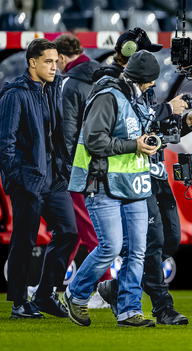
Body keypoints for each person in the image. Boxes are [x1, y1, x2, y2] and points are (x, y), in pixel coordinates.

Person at [95, 28, 192, 325]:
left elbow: (155, 131)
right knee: (152, 241)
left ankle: (116, 287)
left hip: (154, 172)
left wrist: (185, 121)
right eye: (146, 52)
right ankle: (162, 307)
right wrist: (168, 108)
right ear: (132, 53)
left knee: (170, 238)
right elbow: (130, 125)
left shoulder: (144, 86)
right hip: (130, 174)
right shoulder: (108, 82)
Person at [64, 50, 159, 327]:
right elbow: (95, 141)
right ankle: (75, 293)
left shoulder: (138, 98)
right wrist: (135, 145)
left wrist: (152, 143)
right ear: (141, 79)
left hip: (134, 184)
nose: (153, 86)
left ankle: (130, 310)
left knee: (137, 250)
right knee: (111, 247)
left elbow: (136, 134)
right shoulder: (108, 96)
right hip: (103, 183)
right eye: (150, 81)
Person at [0, 38, 78, 319]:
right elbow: (3, 141)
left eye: (56, 62)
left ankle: (43, 295)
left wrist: (63, 169)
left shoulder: (51, 89)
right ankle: (19, 303)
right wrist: (18, 178)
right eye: (48, 62)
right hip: (28, 181)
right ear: (32, 63)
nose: (55, 67)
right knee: (24, 241)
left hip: (54, 180)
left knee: (69, 232)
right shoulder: (14, 94)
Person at [53, 34, 110, 309]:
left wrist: (64, 168)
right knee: (75, 229)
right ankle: (52, 282)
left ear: (63, 58)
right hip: (105, 163)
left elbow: (67, 132)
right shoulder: (103, 76)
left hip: (78, 167)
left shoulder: (70, 83)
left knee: (88, 229)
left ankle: (104, 287)